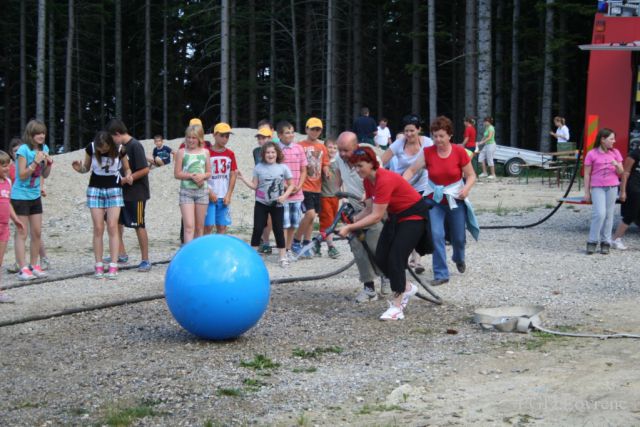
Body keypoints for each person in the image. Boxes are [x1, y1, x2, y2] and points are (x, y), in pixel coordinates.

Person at [338, 146, 430, 320]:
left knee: (396, 256)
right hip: (396, 216)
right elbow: (369, 209)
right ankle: (407, 287)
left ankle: (397, 308)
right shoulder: (367, 180)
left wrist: (349, 228)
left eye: (360, 165)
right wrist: (354, 220)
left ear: (372, 163)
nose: (357, 170)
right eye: (355, 166)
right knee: (380, 255)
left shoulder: (384, 179)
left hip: (414, 215)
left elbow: (376, 216)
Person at [404, 116, 478, 286]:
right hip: (434, 201)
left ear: (450, 135)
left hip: (455, 199)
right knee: (437, 235)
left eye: (441, 136)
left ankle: (459, 257)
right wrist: (400, 184)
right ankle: (441, 273)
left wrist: (465, 189)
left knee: (458, 238)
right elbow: (412, 170)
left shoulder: (459, 152)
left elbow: (471, 175)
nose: (438, 140)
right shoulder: (428, 152)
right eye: (435, 136)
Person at [336, 131, 390, 302]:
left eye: (346, 150)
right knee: (357, 247)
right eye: (340, 150)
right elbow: (337, 181)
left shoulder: (369, 157)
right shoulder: (339, 159)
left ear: (356, 146)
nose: (343, 154)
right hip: (354, 209)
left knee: (376, 245)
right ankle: (369, 288)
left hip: (374, 207)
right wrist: (341, 199)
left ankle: (387, 277)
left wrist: (368, 198)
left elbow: (379, 181)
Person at [72, 131, 132, 279]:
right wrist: (79, 169)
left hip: (114, 188)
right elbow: (86, 168)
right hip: (95, 189)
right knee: (98, 227)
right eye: (100, 149)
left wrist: (129, 175)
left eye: (104, 148)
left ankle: (113, 264)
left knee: (113, 226)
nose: (102, 151)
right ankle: (98, 265)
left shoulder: (120, 150)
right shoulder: (91, 148)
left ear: (110, 144)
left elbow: (127, 167)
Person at [381, 114, 433, 274]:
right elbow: (381, 161)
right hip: (401, 188)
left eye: (412, 130)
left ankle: (416, 261)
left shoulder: (428, 143)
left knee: (416, 224)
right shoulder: (399, 143)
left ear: (419, 130)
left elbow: (435, 161)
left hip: (421, 187)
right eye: (406, 131)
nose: (409, 134)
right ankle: (400, 257)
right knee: (401, 223)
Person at [237, 142, 295, 268]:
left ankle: (282, 257)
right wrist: (242, 178)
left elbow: (291, 185)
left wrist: (284, 196)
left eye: (273, 152)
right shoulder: (258, 167)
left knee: (278, 230)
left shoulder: (283, 167)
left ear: (277, 153)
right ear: (263, 154)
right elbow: (254, 186)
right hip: (261, 203)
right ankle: (251, 257)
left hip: (277, 203)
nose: (270, 154)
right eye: (268, 152)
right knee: (257, 229)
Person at [106, 118, 152, 272]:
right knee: (116, 222)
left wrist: (127, 179)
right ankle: (121, 253)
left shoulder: (134, 145)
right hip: (120, 193)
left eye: (112, 138)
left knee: (139, 224)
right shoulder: (119, 148)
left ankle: (145, 259)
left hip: (136, 193)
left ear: (117, 134)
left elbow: (145, 169)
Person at [11, 120, 53, 281]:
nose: (41, 136)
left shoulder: (45, 149)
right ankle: (22, 268)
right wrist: (35, 161)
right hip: (20, 196)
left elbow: (45, 174)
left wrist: (49, 163)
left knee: (37, 232)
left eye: (43, 133)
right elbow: (21, 175)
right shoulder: (24, 150)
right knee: (22, 232)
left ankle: (34, 265)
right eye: (38, 133)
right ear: (31, 135)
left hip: (35, 195)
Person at [292, 117, 330, 258]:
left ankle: (306, 243)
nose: (315, 132)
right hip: (304, 186)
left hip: (317, 187)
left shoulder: (322, 147)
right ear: (306, 129)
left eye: (318, 129)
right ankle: (296, 241)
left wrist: (326, 170)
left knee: (311, 218)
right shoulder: (299, 145)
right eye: (312, 129)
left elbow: (325, 163)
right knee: (310, 214)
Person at [583, 128, 623, 254]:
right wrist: (587, 192)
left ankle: (606, 242)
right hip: (597, 188)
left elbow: (621, 173)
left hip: (612, 187)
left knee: (609, 215)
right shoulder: (592, 154)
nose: (614, 141)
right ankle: (592, 241)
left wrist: (616, 164)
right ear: (602, 139)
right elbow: (587, 174)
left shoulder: (615, 152)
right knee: (599, 214)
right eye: (611, 139)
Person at [174, 125, 212, 244]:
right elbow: (177, 173)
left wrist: (202, 176)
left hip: (202, 192)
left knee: (200, 227)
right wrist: (191, 176)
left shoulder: (205, 152)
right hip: (186, 192)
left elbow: (209, 173)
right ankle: (187, 253)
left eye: (194, 138)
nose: (191, 140)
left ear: (199, 138)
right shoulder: (181, 152)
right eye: (189, 137)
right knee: (189, 226)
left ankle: (197, 253)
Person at [276, 121, 307, 257]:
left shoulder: (299, 148)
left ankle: (288, 249)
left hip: (297, 193)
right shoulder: (276, 149)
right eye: (287, 132)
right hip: (283, 194)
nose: (291, 135)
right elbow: (274, 170)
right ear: (280, 135)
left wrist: (299, 186)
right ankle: (282, 251)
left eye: (292, 132)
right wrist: (286, 186)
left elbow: (303, 169)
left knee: (294, 223)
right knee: (284, 224)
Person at [204, 122, 238, 235]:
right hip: (209, 195)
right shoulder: (207, 153)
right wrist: (209, 191)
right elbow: (202, 175)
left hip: (223, 196)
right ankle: (207, 250)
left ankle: (220, 251)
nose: (225, 139)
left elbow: (233, 174)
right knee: (208, 227)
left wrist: (229, 194)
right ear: (214, 135)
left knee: (222, 227)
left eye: (227, 136)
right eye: (222, 135)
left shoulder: (230, 154)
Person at [0, 151, 25, 302]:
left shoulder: (8, 182)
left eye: (8, 164)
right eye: (3, 165)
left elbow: (7, 203)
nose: (7, 168)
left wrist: (15, 219)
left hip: (4, 228)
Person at [611, 144, 640, 250]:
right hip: (633, 188)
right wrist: (622, 191)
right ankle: (615, 239)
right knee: (631, 214)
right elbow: (625, 173)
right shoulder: (634, 155)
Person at [316, 138, 341, 258]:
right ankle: (331, 246)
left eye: (335, 148)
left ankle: (317, 242)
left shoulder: (339, 162)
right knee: (328, 222)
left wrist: (343, 193)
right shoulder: (321, 162)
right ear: (324, 147)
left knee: (332, 222)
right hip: (324, 196)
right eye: (330, 147)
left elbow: (342, 179)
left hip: (335, 197)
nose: (332, 150)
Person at [254, 124, 274, 253]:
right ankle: (262, 240)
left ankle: (266, 242)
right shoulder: (256, 151)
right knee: (261, 216)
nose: (261, 140)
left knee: (270, 217)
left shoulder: (275, 151)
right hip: (260, 187)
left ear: (270, 138)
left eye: (264, 138)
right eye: (260, 138)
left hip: (273, 187)